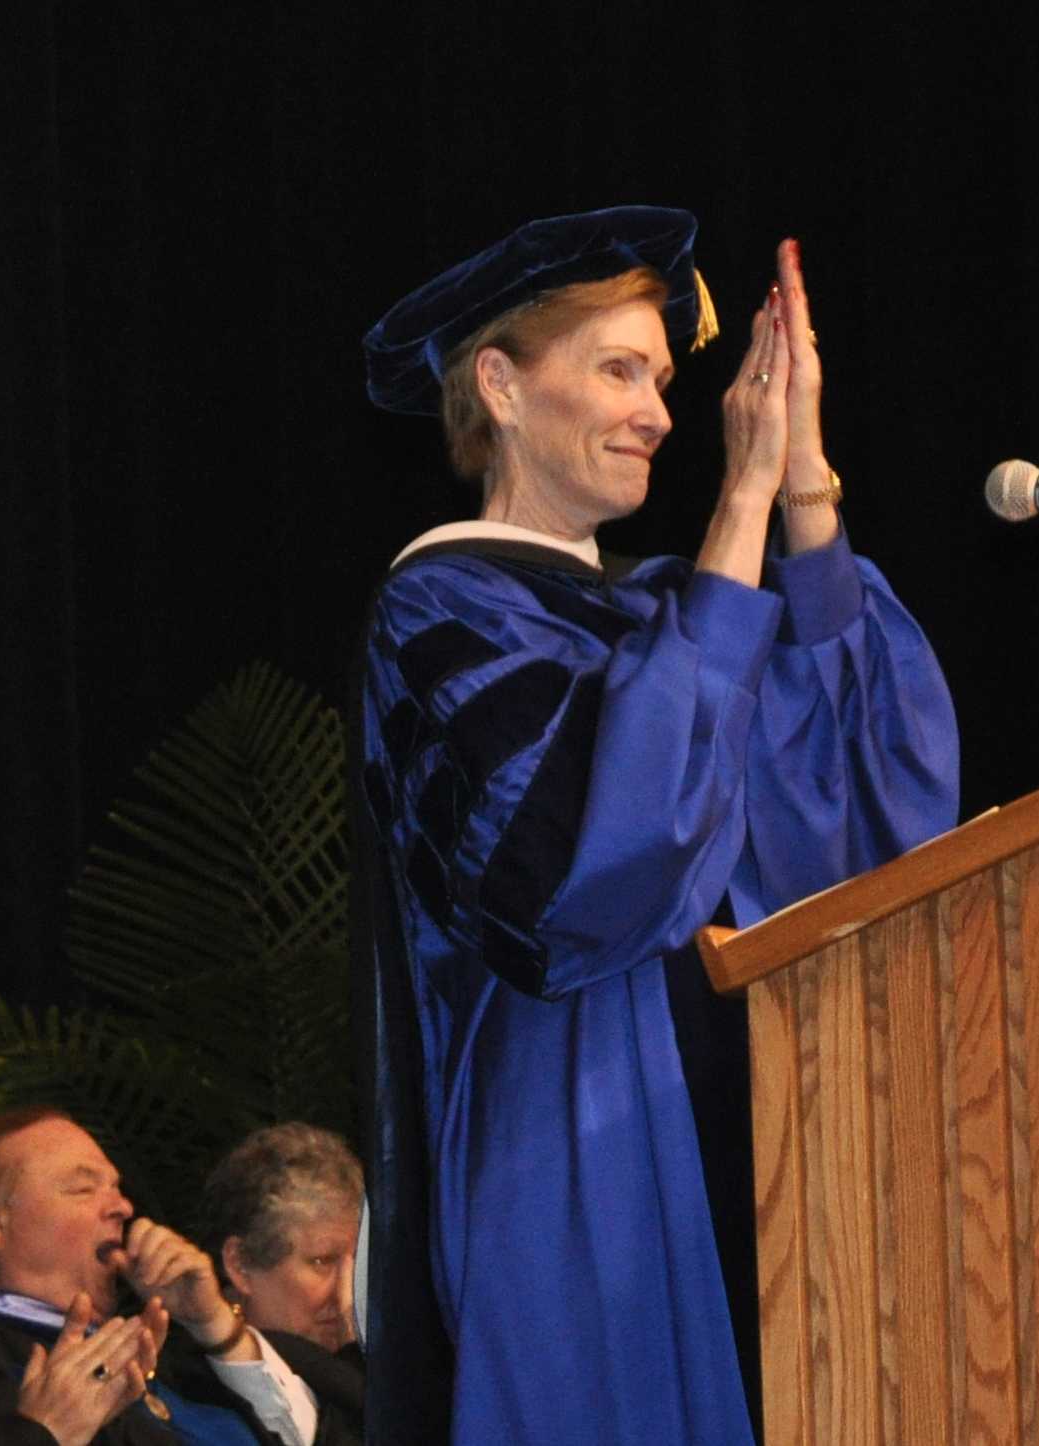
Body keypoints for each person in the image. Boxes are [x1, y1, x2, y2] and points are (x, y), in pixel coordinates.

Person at [354, 205, 958, 1444]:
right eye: (619, 370)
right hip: (579, 1159)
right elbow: (589, 875)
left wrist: (799, 482)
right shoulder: (444, 612)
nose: (662, 414)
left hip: (763, 1131)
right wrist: (734, 511)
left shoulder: (663, 619)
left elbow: (867, 802)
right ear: (501, 386)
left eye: (666, 378)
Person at [0, 1107, 356, 1446]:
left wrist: (214, 1324)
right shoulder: (9, 1367)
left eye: (115, 1188)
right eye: (82, 1189)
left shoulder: (167, 1356)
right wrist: (43, 1433)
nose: (122, 1206)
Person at [199, 1126, 363, 1433]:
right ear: (241, 1263)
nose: (348, 1291)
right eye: (322, 1262)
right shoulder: (196, 1392)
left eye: (358, 1264)